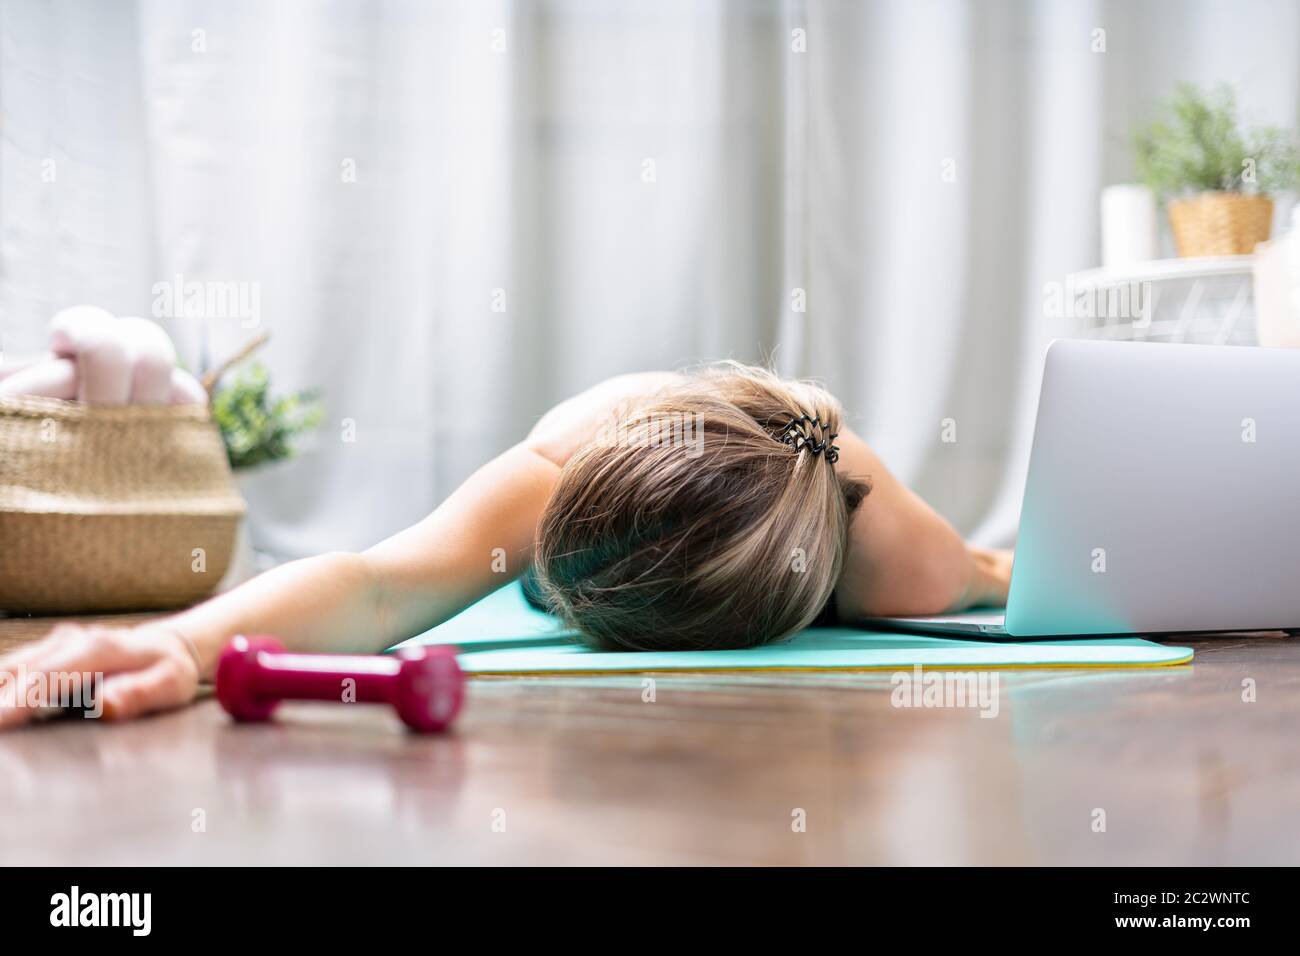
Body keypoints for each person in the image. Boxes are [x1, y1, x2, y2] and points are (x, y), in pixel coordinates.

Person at [0, 362, 1011, 728]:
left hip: (788, 532)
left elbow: (1015, 577)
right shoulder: (555, 467)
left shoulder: (896, 556)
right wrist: (181, 647)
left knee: (940, 582)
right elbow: (380, 584)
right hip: (624, 469)